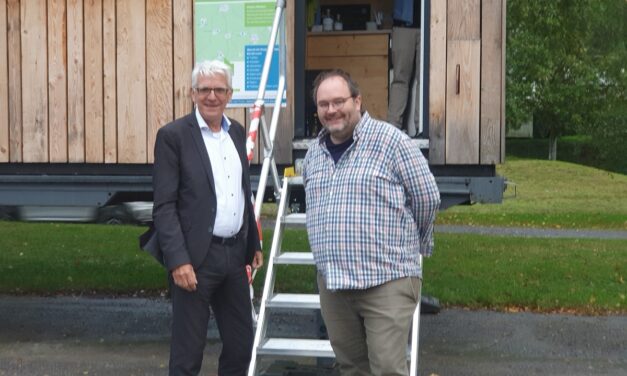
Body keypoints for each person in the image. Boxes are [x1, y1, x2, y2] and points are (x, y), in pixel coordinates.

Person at [302, 69, 440, 375]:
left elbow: (427, 198)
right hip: (335, 286)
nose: (332, 110)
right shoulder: (314, 155)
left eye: (339, 101)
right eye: (324, 104)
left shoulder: (392, 142)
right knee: (351, 368)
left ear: (357, 100)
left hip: (385, 282)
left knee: (388, 369)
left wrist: (408, 247)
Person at [150, 60, 263, 375]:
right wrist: (178, 261)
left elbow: (243, 191)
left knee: (241, 347)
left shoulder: (237, 133)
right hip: (195, 258)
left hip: (233, 256)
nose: (211, 96)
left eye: (218, 90)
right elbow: (164, 205)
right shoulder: (173, 136)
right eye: (204, 90)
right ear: (192, 94)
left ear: (229, 95)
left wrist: (252, 240)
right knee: (188, 354)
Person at [388, 0, 421, 135]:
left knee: (425, 79)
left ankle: (423, 128)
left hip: (432, 22)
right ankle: (393, 129)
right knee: (400, 79)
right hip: (403, 25)